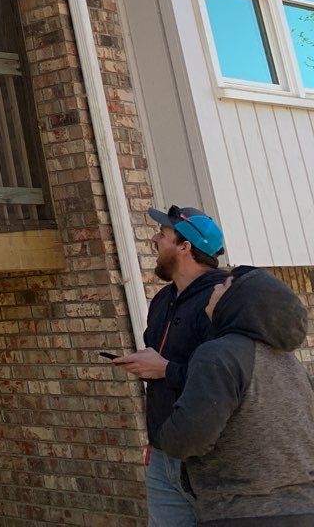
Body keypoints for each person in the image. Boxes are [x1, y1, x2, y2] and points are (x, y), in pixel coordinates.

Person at [156, 266, 314, 524]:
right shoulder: (290, 364)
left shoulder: (218, 355)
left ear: (239, 300)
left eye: (223, 286)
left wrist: (166, 435)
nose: (214, 290)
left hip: (241, 511)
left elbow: (188, 438)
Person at [112, 205, 228, 527]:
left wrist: (165, 369)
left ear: (184, 247)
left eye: (162, 235)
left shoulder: (222, 300)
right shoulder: (163, 299)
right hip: (163, 456)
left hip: (211, 459)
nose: (154, 239)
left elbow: (229, 377)